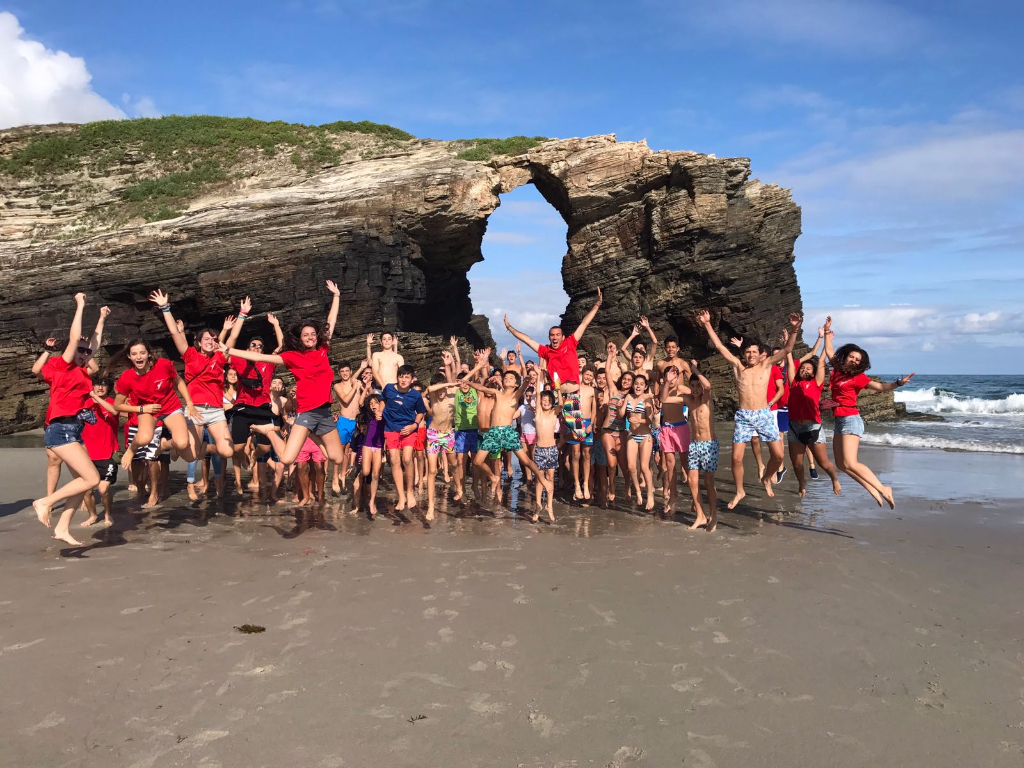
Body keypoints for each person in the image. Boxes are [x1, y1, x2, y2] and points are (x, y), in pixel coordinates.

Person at [232, 280, 345, 469]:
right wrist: (230, 350)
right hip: (307, 412)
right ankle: (269, 432)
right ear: (299, 339)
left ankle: (311, 434)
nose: (310, 337)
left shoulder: (323, 349)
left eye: (312, 334)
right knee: (286, 459)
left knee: (337, 459)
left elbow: (330, 322)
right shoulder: (293, 357)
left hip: (325, 413)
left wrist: (336, 296)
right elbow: (262, 357)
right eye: (305, 335)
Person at [697, 309, 801, 507]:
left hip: (763, 414)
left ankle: (766, 478)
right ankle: (740, 491)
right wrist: (707, 324)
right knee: (736, 459)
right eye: (748, 352)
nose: (751, 355)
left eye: (754, 351)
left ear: (760, 354)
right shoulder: (738, 366)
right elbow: (719, 346)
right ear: (743, 354)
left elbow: (787, 350)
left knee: (778, 456)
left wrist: (795, 329)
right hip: (744, 416)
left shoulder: (767, 365)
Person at [31, 294, 107, 545]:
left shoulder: (84, 371)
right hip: (60, 429)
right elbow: (75, 339)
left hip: (73, 430)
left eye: (87, 352)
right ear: (71, 352)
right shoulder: (63, 366)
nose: (84, 353)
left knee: (82, 482)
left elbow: (94, 343)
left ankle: (63, 527)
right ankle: (45, 501)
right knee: (93, 478)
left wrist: (102, 319)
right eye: (80, 351)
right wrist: (81, 305)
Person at [825, 322, 915, 508]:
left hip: (851, 419)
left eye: (858, 360)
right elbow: (829, 351)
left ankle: (883, 489)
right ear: (846, 356)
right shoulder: (838, 370)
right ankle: (873, 489)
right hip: (840, 420)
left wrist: (898, 383)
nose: (855, 361)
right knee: (842, 465)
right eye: (852, 357)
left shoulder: (859, 378)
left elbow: (882, 387)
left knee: (851, 462)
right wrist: (826, 333)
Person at [504, 287, 603, 444]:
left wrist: (597, 304)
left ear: (562, 336)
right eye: (552, 335)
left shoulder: (570, 343)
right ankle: (550, 455)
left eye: (558, 335)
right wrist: (509, 328)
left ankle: (560, 442)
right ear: (549, 337)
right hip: (554, 396)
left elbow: (584, 323)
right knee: (546, 428)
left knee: (580, 434)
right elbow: (527, 340)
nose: (555, 337)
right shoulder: (546, 350)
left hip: (571, 395)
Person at [466, 354, 553, 504]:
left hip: (507, 431)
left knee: (525, 460)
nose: (507, 379)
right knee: (478, 461)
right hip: (493, 432)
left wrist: (533, 375)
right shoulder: (496, 393)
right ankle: (493, 477)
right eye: (505, 378)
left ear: (515, 384)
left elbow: (526, 382)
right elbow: (479, 386)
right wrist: (468, 378)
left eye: (511, 379)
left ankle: (541, 478)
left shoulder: (516, 394)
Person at [224, 301, 284, 493]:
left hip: (263, 408)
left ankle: (253, 455)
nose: (257, 348)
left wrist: (276, 325)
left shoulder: (268, 363)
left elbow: (281, 346)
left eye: (260, 346)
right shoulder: (240, 361)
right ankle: (243, 456)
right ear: (248, 348)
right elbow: (228, 347)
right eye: (253, 345)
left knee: (265, 449)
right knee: (237, 448)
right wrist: (242, 315)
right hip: (243, 407)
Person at [786, 328, 842, 498]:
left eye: (809, 368)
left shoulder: (816, 383)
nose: (805, 370)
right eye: (803, 368)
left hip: (813, 427)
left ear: (813, 372)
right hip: (795, 428)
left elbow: (823, 359)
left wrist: (826, 337)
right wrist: (787, 340)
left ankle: (834, 478)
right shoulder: (793, 384)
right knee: (796, 464)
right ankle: (802, 483)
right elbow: (789, 358)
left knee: (823, 463)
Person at [382, 363, 428, 513]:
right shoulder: (388, 388)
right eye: (401, 376)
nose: (403, 380)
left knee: (407, 459)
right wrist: (380, 412)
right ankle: (401, 496)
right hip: (391, 429)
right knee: (394, 460)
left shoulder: (415, 395)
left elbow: (420, 412)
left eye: (406, 377)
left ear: (412, 379)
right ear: (397, 378)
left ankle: (410, 491)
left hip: (408, 429)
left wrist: (415, 425)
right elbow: (383, 400)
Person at [681, 361, 718, 531]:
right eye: (692, 385)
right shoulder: (689, 401)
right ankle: (700, 516)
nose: (695, 388)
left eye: (698, 385)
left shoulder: (706, 399)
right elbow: (669, 395)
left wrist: (694, 369)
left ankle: (713, 516)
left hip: (709, 445)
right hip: (695, 445)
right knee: (691, 480)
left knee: (708, 482)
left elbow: (708, 385)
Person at [80, 374, 120, 527]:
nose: (100, 387)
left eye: (104, 385)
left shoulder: (111, 402)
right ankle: (92, 516)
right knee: (87, 490)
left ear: (109, 388)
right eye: (97, 384)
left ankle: (108, 515)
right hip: (86, 455)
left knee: (103, 489)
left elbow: (115, 412)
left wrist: (97, 399)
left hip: (107, 454)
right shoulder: (84, 404)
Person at [423, 373, 462, 520]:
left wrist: (478, 366)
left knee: (453, 464)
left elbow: (465, 380)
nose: (440, 392)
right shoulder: (433, 394)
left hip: (448, 434)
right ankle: (431, 506)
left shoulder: (452, 394)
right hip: (433, 434)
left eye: (443, 389)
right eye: (439, 389)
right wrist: (446, 384)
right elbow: (430, 388)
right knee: (432, 470)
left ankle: (458, 488)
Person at [657, 365, 690, 516]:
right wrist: (666, 382)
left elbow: (697, 396)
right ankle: (673, 495)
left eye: (674, 376)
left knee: (685, 463)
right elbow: (662, 399)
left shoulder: (682, 389)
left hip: (680, 427)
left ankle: (694, 495)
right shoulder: (663, 388)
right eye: (669, 376)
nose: (672, 379)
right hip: (666, 428)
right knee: (670, 464)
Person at [619, 373, 656, 511]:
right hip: (632, 435)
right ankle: (638, 492)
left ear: (645, 386)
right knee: (631, 467)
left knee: (645, 467)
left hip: (645, 435)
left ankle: (650, 495)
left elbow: (649, 420)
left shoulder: (647, 400)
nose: (638, 386)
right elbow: (621, 415)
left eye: (641, 384)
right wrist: (621, 406)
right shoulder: (628, 397)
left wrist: (638, 420)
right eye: (636, 383)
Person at [331, 359, 368, 495]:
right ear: (339, 374)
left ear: (351, 371)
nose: (345, 373)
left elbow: (366, 394)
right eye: (342, 371)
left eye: (347, 371)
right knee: (339, 450)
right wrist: (355, 387)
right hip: (344, 420)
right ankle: (335, 477)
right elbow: (345, 400)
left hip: (356, 421)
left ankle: (342, 476)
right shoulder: (337, 386)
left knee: (348, 450)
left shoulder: (355, 382)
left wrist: (361, 368)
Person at [567, 366, 597, 503]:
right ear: (582, 373)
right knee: (575, 454)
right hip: (575, 420)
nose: (588, 377)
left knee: (586, 454)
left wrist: (591, 423)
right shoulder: (574, 387)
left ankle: (585, 483)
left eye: (591, 375)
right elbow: (568, 406)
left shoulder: (593, 390)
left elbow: (594, 409)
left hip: (587, 422)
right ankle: (577, 485)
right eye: (586, 374)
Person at [356, 393, 387, 517]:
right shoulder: (369, 416)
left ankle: (372, 500)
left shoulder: (385, 415)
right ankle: (359, 475)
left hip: (379, 447)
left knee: (375, 474)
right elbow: (360, 403)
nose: (373, 405)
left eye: (375, 403)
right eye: (371, 404)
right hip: (367, 445)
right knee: (366, 471)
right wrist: (364, 389)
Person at [532, 389, 561, 523]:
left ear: (552, 402)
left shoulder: (554, 413)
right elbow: (537, 393)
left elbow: (560, 403)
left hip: (552, 449)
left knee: (550, 478)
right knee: (539, 479)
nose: (546, 402)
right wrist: (538, 377)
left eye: (549, 400)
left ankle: (549, 506)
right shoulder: (538, 412)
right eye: (544, 400)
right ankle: (538, 506)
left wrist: (559, 389)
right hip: (539, 450)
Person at [452, 370, 480, 503]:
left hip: (474, 429)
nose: (464, 385)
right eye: (462, 383)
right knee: (460, 461)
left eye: (466, 383)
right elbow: (453, 379)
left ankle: (475, 485)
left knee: (475, 462)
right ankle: (460, 489)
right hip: (460, 430)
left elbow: (480, 377)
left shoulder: (474, 391)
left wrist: (479, 364)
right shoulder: (456, 393)